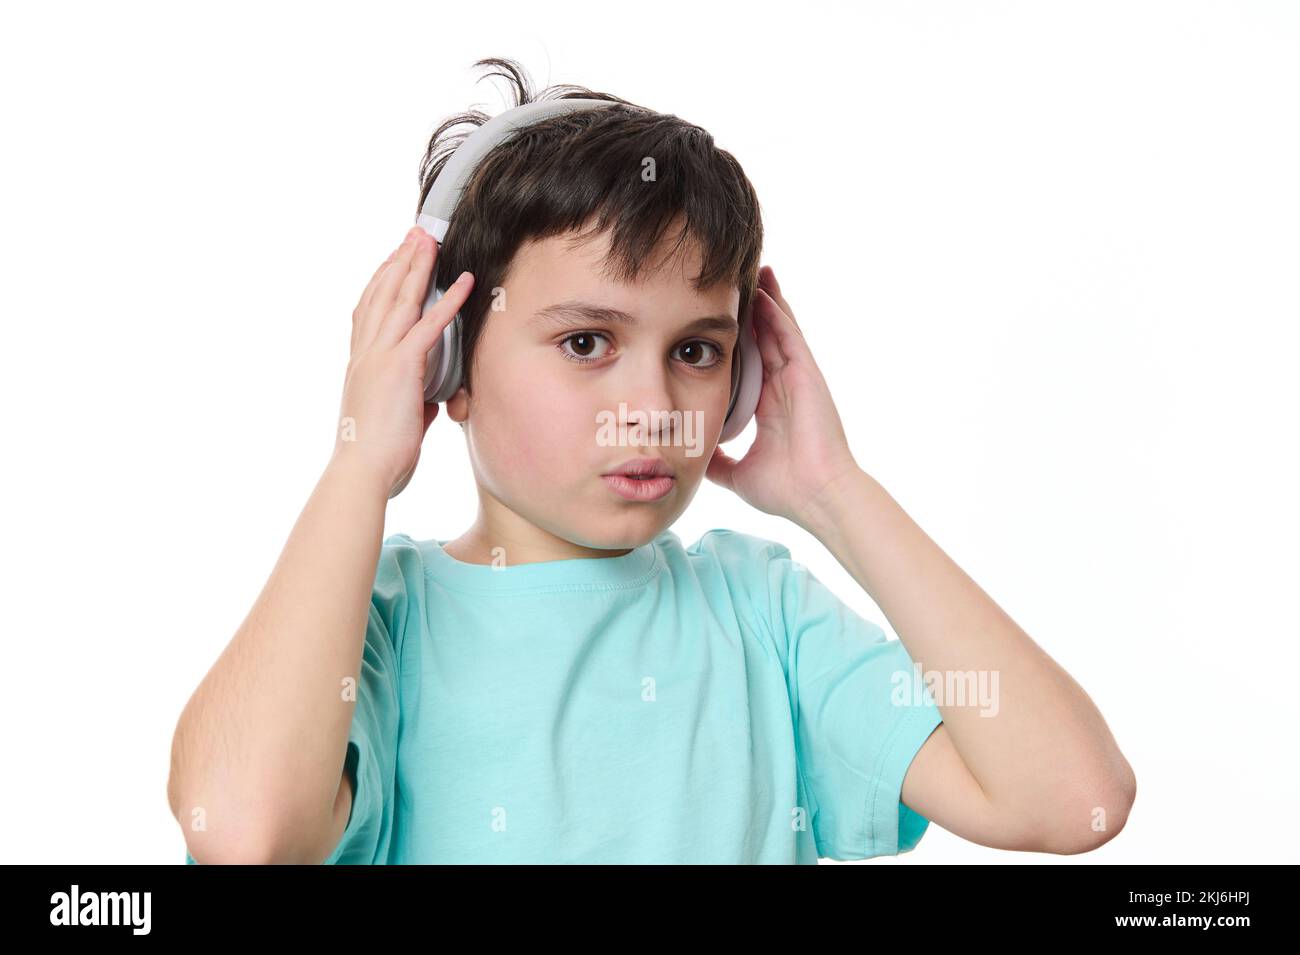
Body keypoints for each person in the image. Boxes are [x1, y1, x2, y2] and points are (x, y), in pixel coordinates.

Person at [169, 57, 1135, 864]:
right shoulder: (374, 632)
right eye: (587, 341)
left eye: (697, 351)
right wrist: (356, 472)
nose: (654, 410)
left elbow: (1073, 799)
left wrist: (838, 496)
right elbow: (244, 830)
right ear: (447, 363)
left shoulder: (763, 614)